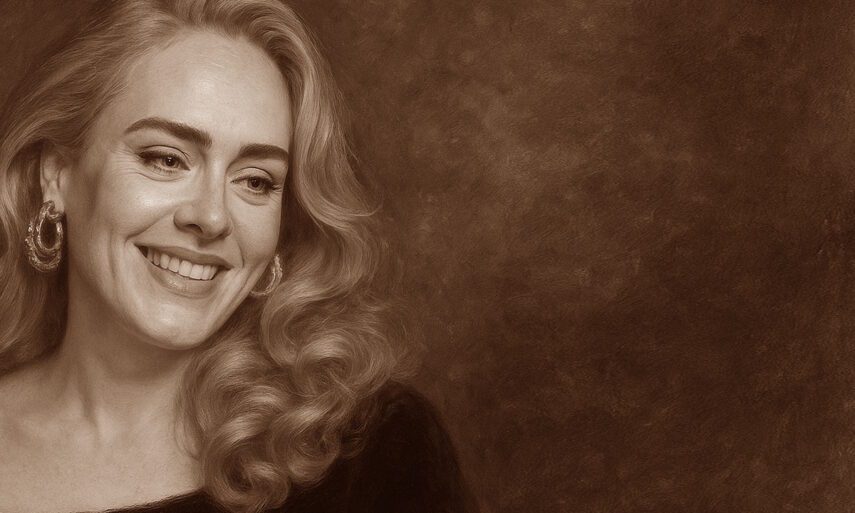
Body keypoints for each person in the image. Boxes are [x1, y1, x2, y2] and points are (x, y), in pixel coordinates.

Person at [0, 1, 475, 512]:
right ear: (57, 175)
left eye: (255, 181)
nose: (211, 217)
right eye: (166, 159)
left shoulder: (376, 452)